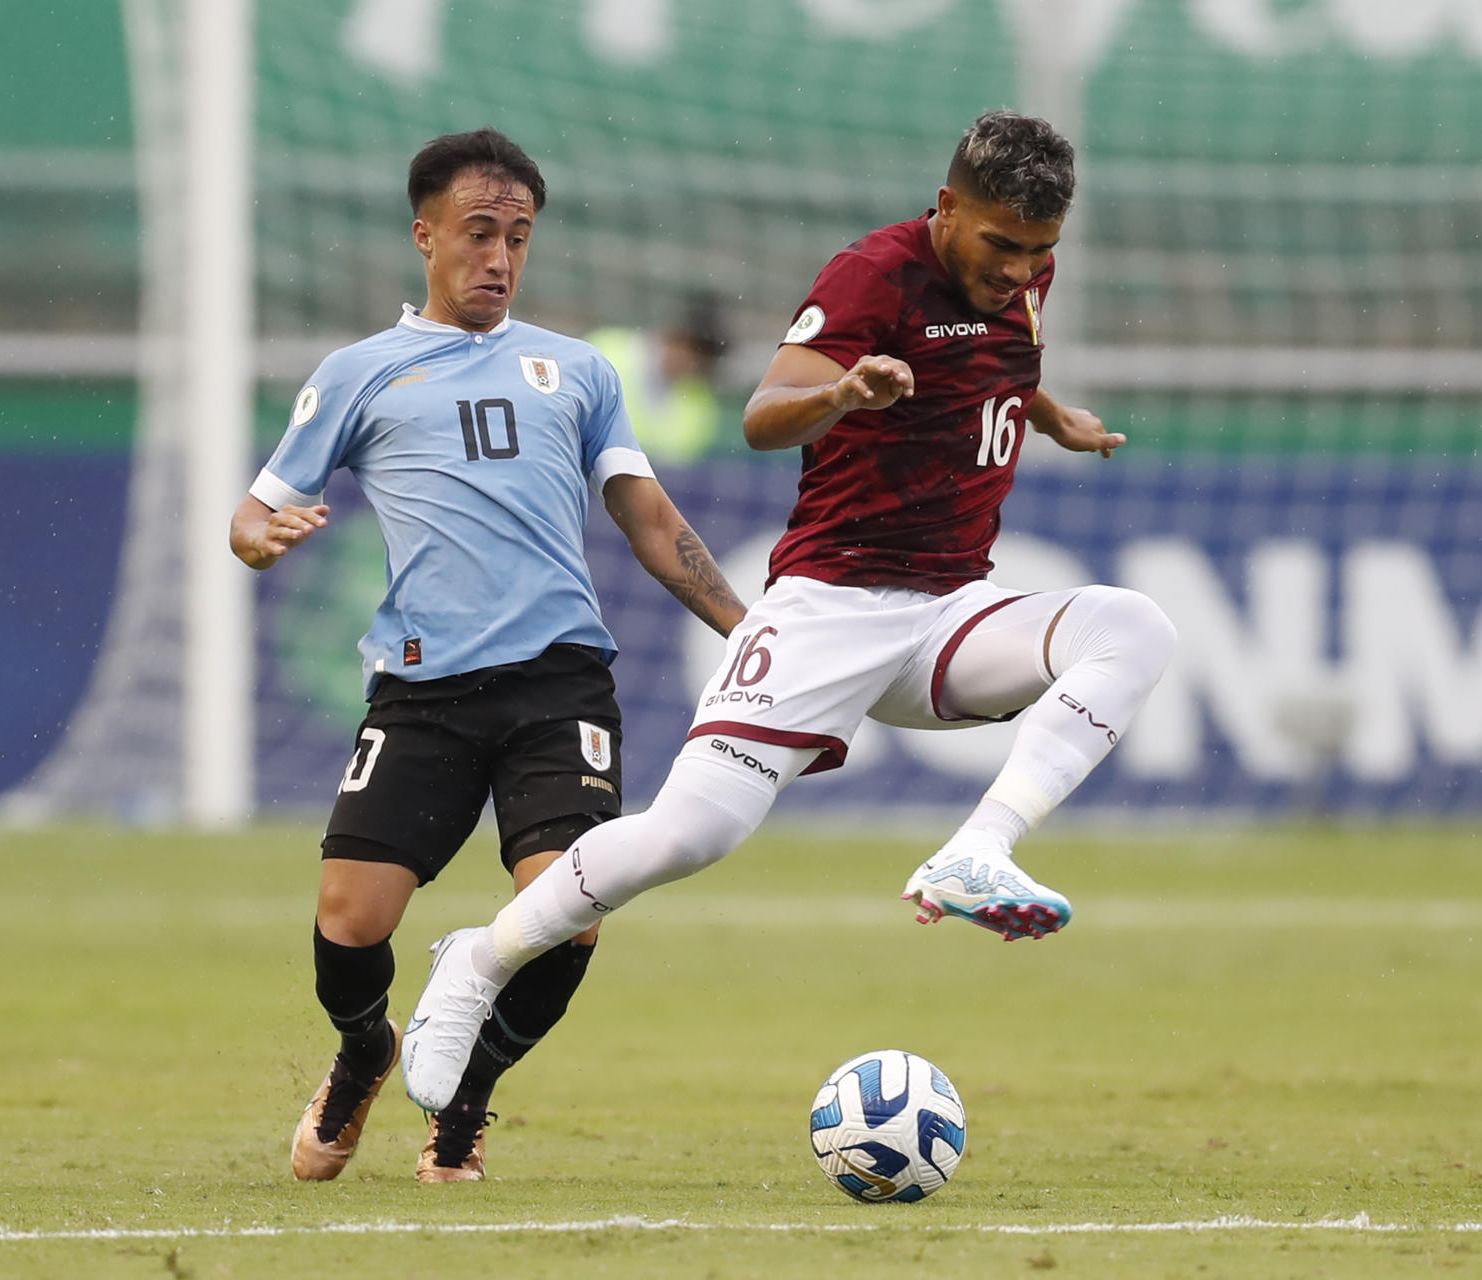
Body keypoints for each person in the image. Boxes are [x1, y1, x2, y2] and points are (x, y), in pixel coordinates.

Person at [400, 110, 1177, 1113]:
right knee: (686, 836)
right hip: (829, 606)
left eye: (1039, 252)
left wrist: (1047, 409)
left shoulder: (1022, 272)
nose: (1017, 269)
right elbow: (765, 413)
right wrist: (847, 390)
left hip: (951, 611)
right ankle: (476, 957)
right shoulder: (873, 277)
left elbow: (993, 360)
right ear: (947, 211)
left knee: (1136, 625)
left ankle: (978, 847)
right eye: (999, 245)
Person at [229, 127, 745, 1182]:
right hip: (422, 687)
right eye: (478, 233)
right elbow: (253, 512)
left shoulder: (582, 371)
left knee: (567, 915)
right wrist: (259, 539)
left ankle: (465, 1100)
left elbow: (650, 519)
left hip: (560, 681)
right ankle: (367, 1047)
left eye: (517, 236)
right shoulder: (360, 372)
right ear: (425, 237)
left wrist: (754, 633)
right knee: (348, 916)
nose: (500, 256)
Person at [587, 294, 728, 464]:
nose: (693, 362)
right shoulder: (607, 349)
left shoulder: (699, 400)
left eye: (703, 357)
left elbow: (679, 462)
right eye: (692, 349)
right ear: (673, 335)